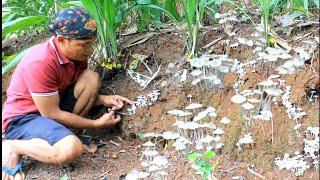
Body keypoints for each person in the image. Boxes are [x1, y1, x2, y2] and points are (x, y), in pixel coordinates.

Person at [2, 7, 132, 180]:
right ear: (62, 40)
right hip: (23, 120)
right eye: (84, 45)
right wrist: (96, 124)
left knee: (91, 79)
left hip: (49, 110)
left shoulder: (76, 54)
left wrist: (103, 99)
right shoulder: (40, 62)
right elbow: (51, 113)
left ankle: (64, 134)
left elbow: (65, 94)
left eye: (92, 44)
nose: (90, 50)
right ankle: (13, 146)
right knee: (71, 149)